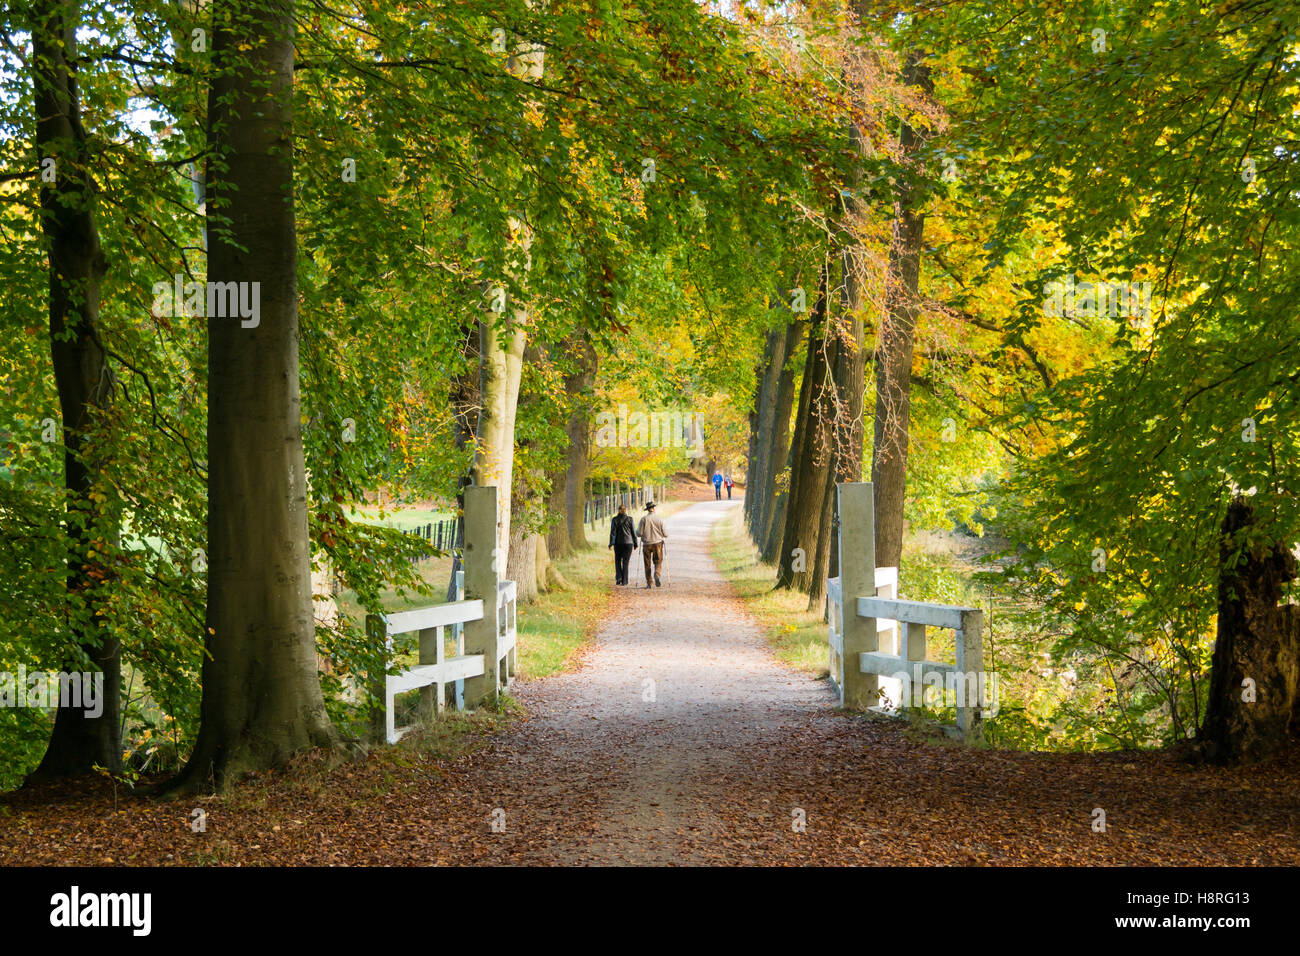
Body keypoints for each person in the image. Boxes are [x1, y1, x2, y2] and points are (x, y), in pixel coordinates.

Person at [636, 500, 668, 588]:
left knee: (647, 563)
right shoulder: (659, 519)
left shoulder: (643, 519)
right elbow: (666, 534)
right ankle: (657, 574)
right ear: (653, 508)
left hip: (647, 544)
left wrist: (636, 531)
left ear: (648, 510)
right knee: (658, 561)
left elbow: (639, 533)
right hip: (658, 543)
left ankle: (649, 582)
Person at [608, 504, 637, 586]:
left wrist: (611, 543)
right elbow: (633, 532)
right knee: (625, 562)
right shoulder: (630, 519)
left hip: (618, 543)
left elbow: (613, 533)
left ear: (619, 510)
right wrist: (635, 543)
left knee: (617, 561)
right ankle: (625, 581)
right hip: (628, 543)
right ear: (625, 510)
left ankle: (618, 578)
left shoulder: (615, 519)